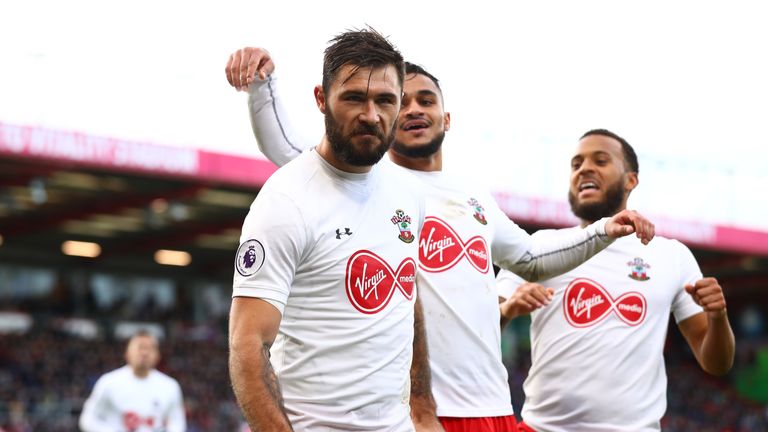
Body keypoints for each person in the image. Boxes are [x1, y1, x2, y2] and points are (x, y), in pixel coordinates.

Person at [225, 48, 655, 431]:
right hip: (414, 413)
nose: (413, 109)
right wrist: (263, 87)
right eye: (403, 100)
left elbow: (528, 257)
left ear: (446, 118)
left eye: (425, 101)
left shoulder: (472, 196)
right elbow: (292, 148)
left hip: (491, 403)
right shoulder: (365, 181)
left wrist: (603, 230)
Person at [228, 28, 439, 432]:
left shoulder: (408, 194)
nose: (371, 115)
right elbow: (247, 345)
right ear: (322, 100)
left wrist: (423, 407)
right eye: (354, 97)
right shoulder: (286, 201)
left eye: (385, 100)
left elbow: (406, 295)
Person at [496, 129, 736, 432]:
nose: (585, 168)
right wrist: (506, 310)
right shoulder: (539, 246)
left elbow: (716, 363)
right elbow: (479, 329)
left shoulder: (672, 256)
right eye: (576, 163)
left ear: (630, 180)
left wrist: (717, 317)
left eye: (600, 160)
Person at [79, 330, 186, 432]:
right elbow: (88, 419)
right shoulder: (109, 382)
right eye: (140, 347)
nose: (144, 353)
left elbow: (177, 422)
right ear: (127, 353)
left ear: (158, 356)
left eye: (150, 348)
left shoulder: (170, 386)